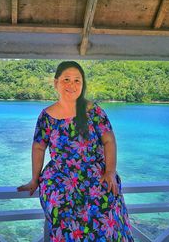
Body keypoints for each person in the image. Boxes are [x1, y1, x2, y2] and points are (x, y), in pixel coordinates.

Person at [17, 61, 134, 241]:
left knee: (104, 222)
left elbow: (109, 140)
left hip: (96, 175)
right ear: (56, 83)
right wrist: (35, 179)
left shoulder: (93, 111)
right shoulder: (46, 116)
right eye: (66, 79)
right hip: (61, 179)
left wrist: (110, 171)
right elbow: (39, 147)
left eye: (77, 81)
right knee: (64, 222)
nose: (71, 85)